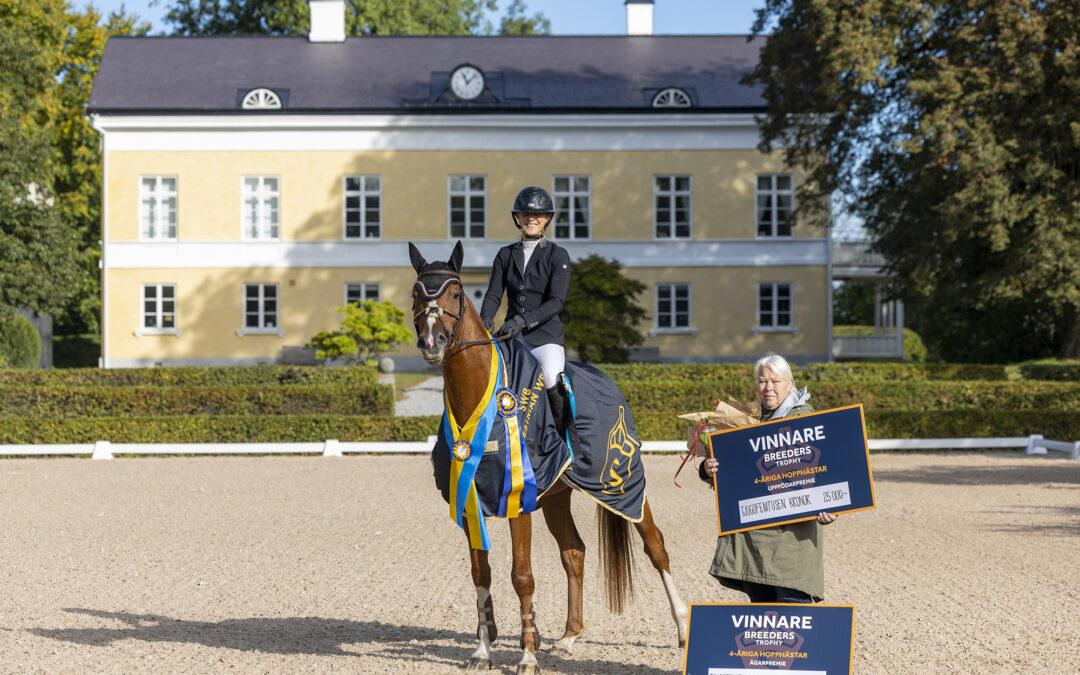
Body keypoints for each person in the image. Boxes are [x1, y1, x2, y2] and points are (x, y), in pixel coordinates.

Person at [699, 353, 838, 603]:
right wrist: (708, 469)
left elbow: (829, 472)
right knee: (762, 617)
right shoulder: (743, 420)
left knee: (793, 618)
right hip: (753, 543)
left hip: (792, 543)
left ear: (790, 383)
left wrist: (833, 507)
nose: (768, 388)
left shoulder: (807, 420)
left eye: (775, 381)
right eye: (763, 381)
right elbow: (735, 472)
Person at [480, 186, 573, 433]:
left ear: (547, 219)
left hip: (545, 338)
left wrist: (523, 320)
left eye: (538, 215)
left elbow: (556, 301)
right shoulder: (505, 254)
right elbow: (492, 295)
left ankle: (564, 442)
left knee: (553, 376)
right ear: (517, 218)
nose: (531, 219)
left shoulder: (557, 255)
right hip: (511, 337)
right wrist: (485, 318)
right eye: (524, 214)